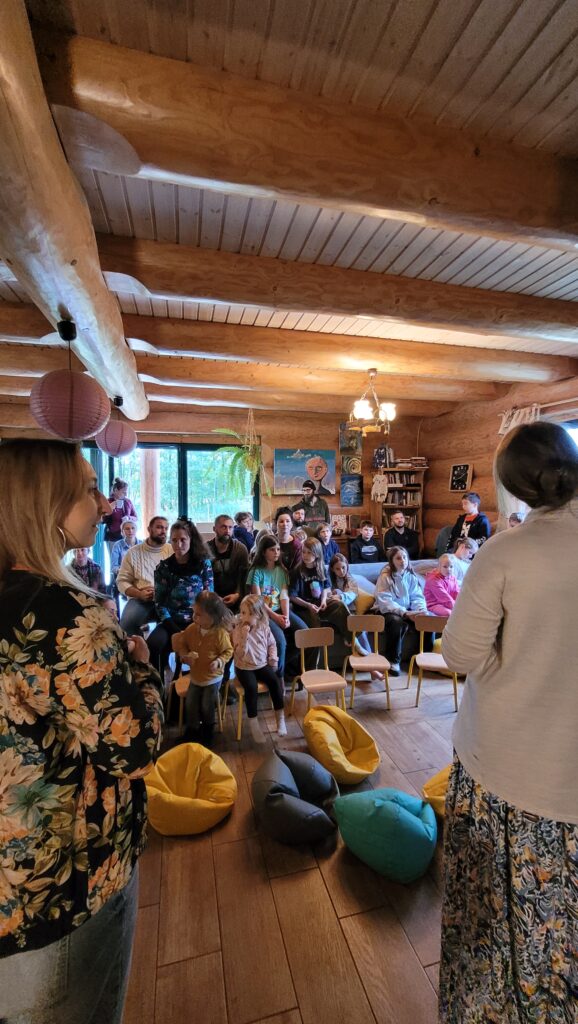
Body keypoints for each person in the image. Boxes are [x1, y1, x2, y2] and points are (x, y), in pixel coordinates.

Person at [0, 439, 163, 1024]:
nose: (106, 504)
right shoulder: (69, 613)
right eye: (89, 490)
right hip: (67, 878)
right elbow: (134, 748)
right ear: (46, 504)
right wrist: (142, 669)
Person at [439, 421, 578, 1023]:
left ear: (513, 485)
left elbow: (458, 654)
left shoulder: (506, 552)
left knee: (494, 927)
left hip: (509, 770)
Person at [148, 517, 214, 678]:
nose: (178, 544)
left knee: (214, 643)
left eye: (183, 540)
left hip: (198, 621)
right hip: (171, 621)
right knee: (153, 644)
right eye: (174, 540)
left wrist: (197, 625)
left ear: (191, 540)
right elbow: (160, 604)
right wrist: (176, 631)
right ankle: (157, 686)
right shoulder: (164, 568)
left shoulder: (203, 564)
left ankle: (207, 681)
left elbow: (209, 598)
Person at [172, 591, 233, 746]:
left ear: (212, 617)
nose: (194, 617)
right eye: (194, 612)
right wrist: (184, 656)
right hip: (196, 676)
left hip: (213, 678)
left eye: (199, 614)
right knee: (190, 703)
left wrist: (218, 661)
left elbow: (228, 651)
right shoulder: (191, 629)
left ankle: (207, 731)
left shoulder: (220, 634)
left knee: (207, 705)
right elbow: (182, 644)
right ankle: (192, 731)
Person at [246, 534, 308, 682]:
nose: (276, 553)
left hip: (280, 609)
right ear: (263, 552)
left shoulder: (282, 571)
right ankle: (278, 679)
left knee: (305, 634)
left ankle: (274, 667)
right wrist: (276, 617)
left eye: (278, 549)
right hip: (263, 613)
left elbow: (284, 596)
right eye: (272, 549)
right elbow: (258, 600)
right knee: (280, 642)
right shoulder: (256, 571)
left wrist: (285, 616)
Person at [231, 594, 287, 743]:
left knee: (275, 682)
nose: (245, 617)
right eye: (243, 612)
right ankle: (254, 724)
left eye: (250, 614)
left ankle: (280, 718)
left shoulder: (264, 627)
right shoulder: (238, 629)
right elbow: (239, 653)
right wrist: (244, 636)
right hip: (243, 667)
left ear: (259, 615)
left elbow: (272, 644)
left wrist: (273, 659)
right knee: (251, 687)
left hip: (261, 664)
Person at [373, 546, 427, 675]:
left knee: (427, 619)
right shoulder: (385, 577)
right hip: (386, 611)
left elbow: (417, 597)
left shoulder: (411, 576)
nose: (402, 560)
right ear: (392, 561)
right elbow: (385, 602)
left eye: (404, 557)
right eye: (398, 558)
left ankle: (422, 658)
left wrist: (420, 610)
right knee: (397, 622)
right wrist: (405, 613)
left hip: (407, 610)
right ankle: (393, 661)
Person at [117, 516, 172, 634]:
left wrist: (162, 591)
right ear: (149, 529)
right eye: (159, 527)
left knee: (171, 629)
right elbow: (122, 581)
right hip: (141, 600)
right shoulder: (132, 553)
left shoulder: (172, 551)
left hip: (168, 600)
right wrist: (139, 594)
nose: (163, 531)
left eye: (166, 528)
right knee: (126, 626)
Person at [289, 537, 349, 641]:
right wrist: (308, 605)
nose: (305, 555)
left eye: (309, 552)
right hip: (304, 608)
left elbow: (325, 587)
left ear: (317, 554)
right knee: (314, 623)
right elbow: (292, 596)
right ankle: (317, 648)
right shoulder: (297, 571)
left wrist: (324, 601)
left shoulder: (321, 568)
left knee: (339, 605)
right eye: (303, 552)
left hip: (319, 603)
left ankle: (351, 638)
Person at [207, 515, 249, 612]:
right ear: (214, 529)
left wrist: (237, 594)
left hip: (236, 600)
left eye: (230, 527)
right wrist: (214, 597)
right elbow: (203, 579)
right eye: (223, 527)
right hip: (212, 601)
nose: (227, 531)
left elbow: (244, 577)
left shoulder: (240, 549)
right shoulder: (205, 550)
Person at [102, 477, 137, 557]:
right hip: (112, 536)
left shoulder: (128, 502)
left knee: (128, 559)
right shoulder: (107, 502)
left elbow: (135, 517)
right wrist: (109, 509)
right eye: (123, 492)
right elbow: (102, 520)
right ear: (115, 490)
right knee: (115, 560)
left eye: (126, 492)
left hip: (127, 536)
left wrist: (128, 518)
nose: (126, 494)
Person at [110, 516, 138, 590]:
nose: (130, 531)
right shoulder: (117, 545)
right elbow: (114, 567)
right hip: (124, 575)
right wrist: (123, 572)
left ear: (136, 530)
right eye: (127, 529)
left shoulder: (142, 544)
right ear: (122, 532)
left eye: (133, 528)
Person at [275, 506, 303, 572]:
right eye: (281, 521)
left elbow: (298, 569)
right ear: (276, 524)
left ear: (292, 524)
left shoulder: (297, 545)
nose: (285, 524)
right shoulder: (270, 542)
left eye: (287, 521)